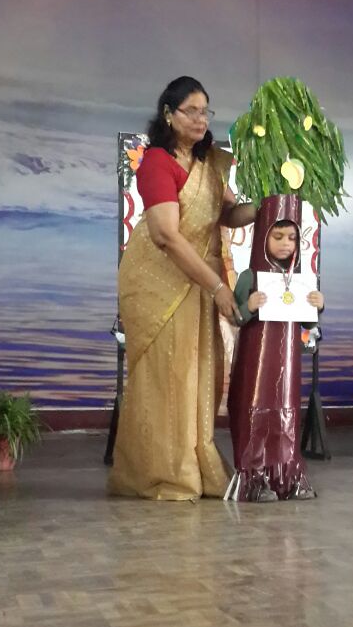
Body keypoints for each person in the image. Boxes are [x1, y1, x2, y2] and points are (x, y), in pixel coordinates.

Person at [109, 76, 255, 501]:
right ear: (168, 114)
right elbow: (166, 237)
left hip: (199, 279)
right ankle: (164, 473)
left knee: (199, 373)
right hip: (160, 281)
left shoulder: (209, 163)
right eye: (191, 110)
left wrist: (267, 205)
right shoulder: (157, 162)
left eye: (205, 111)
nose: (200, 118)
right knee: (169, 374)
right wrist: (218, 286)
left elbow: (228, 214)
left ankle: (196, 464)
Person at [225, 195, 324, 502]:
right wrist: (249, 306)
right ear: (263, 236)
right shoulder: (250, 277)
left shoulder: (300, 279)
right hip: (255, 364)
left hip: (287, 366)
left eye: (292, 238)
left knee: (286, 415)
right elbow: (235, 317)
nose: (285, 244)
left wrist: (317, 306)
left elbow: (308, 324)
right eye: (278, 236)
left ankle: (287, 477)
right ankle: (254, 479)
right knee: (255, 413)